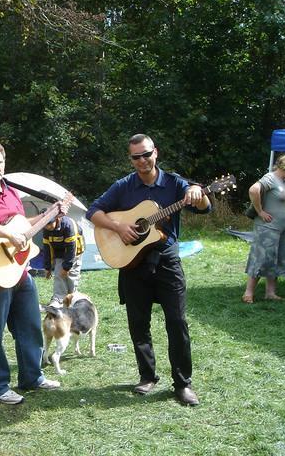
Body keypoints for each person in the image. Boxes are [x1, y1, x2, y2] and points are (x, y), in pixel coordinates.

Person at [86, 133, 211, 406]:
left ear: (156, 152)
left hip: (167, 262)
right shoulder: (123, 186)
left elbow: (204, 206)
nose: (143, 160)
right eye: (136, 157)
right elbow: (93, 211)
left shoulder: (176, 183)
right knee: (138, 323)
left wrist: (197, 193)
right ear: (131, 159)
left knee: (177, 322)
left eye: (147, 154)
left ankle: (183, 384)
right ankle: (147, 377)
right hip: (133, 263)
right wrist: (119, 227)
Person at [0, 140, 63, 405]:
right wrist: (7, 234)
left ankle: (32, 376)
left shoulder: (12, 192)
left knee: (29, 325)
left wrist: (48, 217)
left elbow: (20, 226)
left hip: (18, 271)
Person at [242, 155, 285, 303]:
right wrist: (260, 211)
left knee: (273, 259)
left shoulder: (284, 181)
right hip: (267, 228)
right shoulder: (270, 178)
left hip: (281, 229)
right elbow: (254, 190)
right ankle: (248, 293)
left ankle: (270, 292)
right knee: (260, 259)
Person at [42, 213, 85, 306]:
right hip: (59, 252)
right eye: (45, 225)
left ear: (57, 219)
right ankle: (59, 299)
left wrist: (66, 268)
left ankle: (72, 299)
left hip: (74, 251)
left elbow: (71, 249)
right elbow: (47, 248)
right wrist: (47, 267)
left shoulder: (68, 225)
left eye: (49, 224)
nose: (47, 227)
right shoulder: (46, 229)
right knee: (58, 274)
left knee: (71, 275)